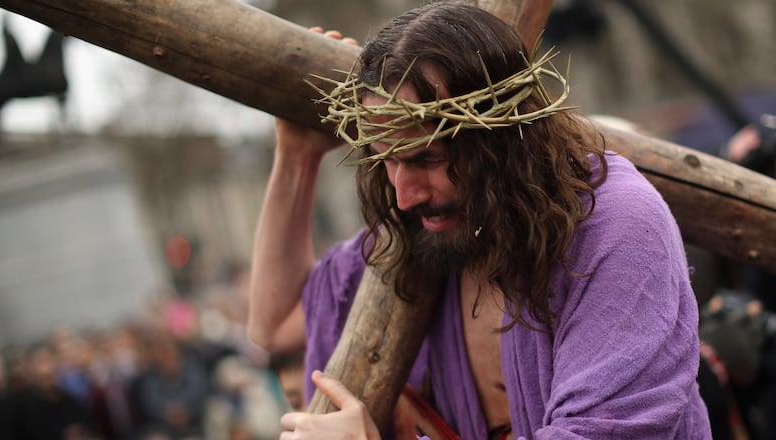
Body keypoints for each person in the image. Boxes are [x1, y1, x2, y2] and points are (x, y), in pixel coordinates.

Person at [247, 2, 712, 438]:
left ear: (503, 141)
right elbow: (276, 322)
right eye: (384, 159)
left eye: (426, 158)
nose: (404, 197)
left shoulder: (615, 225)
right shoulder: (432, 235)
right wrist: (296, 156)